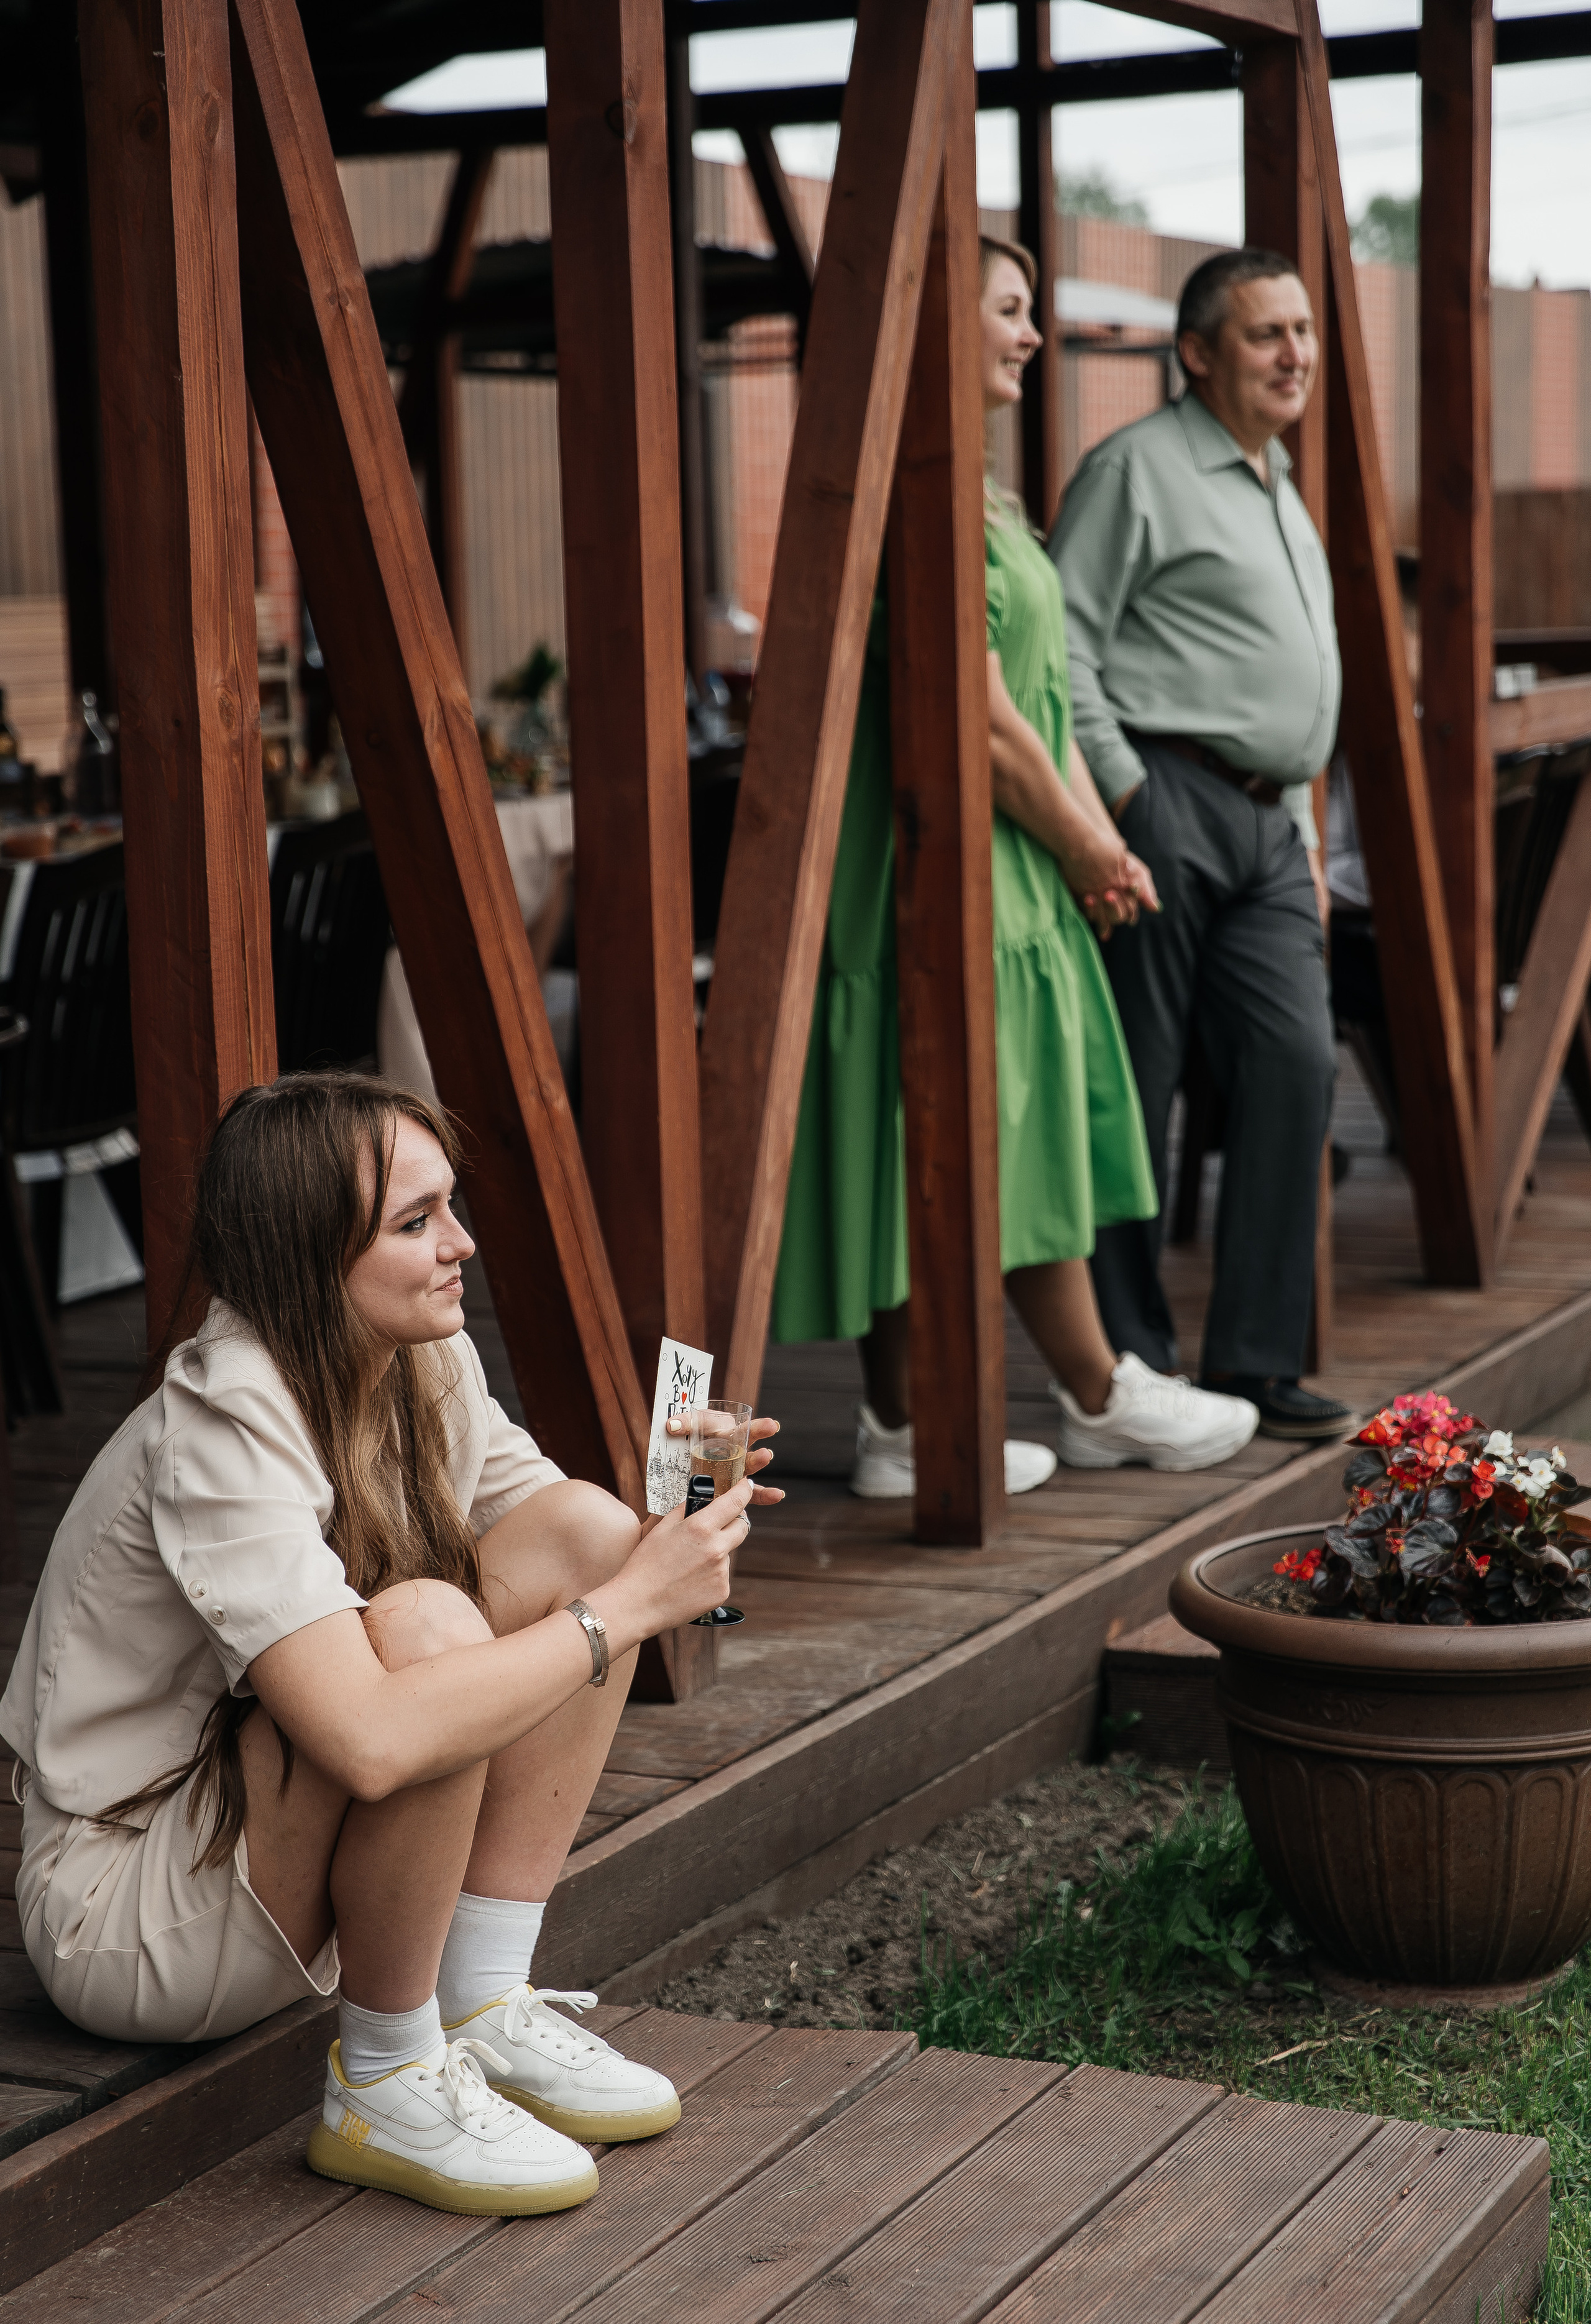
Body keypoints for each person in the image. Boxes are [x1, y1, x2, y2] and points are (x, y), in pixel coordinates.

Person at [1, 1073, 780, 2218]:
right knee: (425, 1628)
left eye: (449, 1208)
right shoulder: (224, 1420)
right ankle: (384, 2075)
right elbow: (368, 1745)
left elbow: (583, 1555)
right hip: (138, 1912)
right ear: (308, 1256)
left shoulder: (418, 1358)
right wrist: (628, 1609)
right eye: (415, 1225)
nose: (460, 1244)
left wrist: (685, 1514)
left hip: (252, 1838)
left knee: (583, 1531)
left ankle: (478, 1998)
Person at [770, 235, 1260, 1488]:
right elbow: (976, 722)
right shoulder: (907, 494)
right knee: (981, 1127)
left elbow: (1019, 699)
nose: (1031, 334)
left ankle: (909, 1421)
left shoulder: (959, 486)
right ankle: (1089, 1393)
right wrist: (1097, 841)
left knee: (975, 1125)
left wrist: (1075, 836)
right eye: (1008, 310)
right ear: (935, 331)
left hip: (995, 867)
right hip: (952, 866)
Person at [1049, 246, 1352, 1442]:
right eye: (1268, 333)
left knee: (1298, 1063)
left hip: (1273, 820)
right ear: (1198, 353)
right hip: (1166, 798)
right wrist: (1126, 799)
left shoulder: (1273, 478)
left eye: (1305, 331)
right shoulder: (1135, 471)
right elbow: (1064, 648)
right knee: (1141, 1083)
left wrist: (1307, 837)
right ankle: (1132, 1366)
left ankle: (1259, 1362)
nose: (1298, 354)